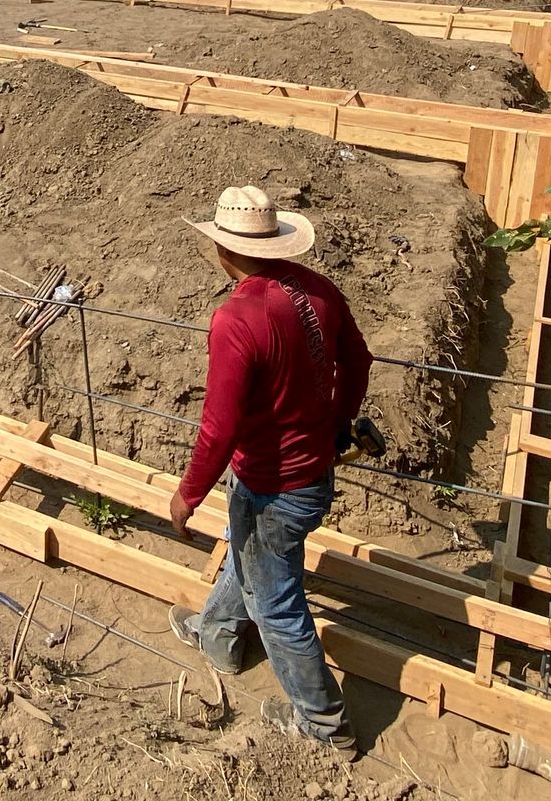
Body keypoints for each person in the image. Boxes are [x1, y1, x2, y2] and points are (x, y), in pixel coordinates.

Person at [166, 184, 373, 752]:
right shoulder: (319, 292)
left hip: (272, 483)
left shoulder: (237, 319)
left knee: (276, 602)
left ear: (224, 251)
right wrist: (338, 425)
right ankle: (217, 636)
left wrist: (188, 495)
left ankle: (325, 725)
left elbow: (219, 426)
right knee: (252, 557)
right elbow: (357, 360)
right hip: (311, 472)